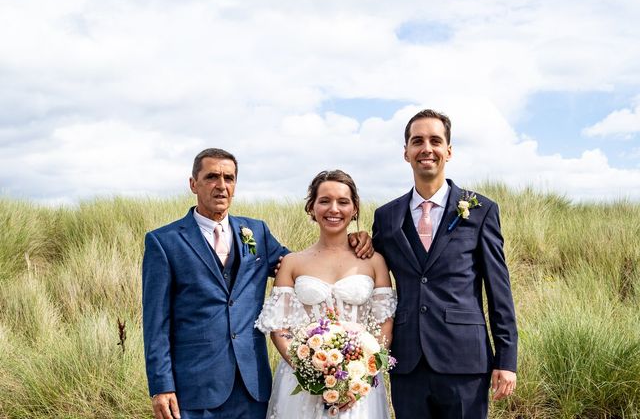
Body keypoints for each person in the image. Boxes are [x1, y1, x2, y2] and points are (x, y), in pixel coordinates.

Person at [142, 149, 373, 419]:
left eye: (229, 178)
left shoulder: (255, 232)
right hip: (194, 388)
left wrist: (352, 242)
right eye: (211, 177)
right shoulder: (164, 242)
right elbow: (156, 322)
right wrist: (161, 386)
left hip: (253, 387)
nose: (221, 185)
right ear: (193, 184)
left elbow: (304, 267)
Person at [372, 110, 517, 418]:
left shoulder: (481, 210)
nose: (427, 148)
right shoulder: (386, 217)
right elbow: (371, 270)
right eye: (417, 141)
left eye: (435, 141)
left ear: (448, 151)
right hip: (408, 362)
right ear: (406, 152)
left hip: (465, 361)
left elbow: (499, 290)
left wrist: (506, 360)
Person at [255, 170, 397, 419]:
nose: (334, 209)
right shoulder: (291, 262)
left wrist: (360, 377)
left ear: (355, 209)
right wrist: (312, 373)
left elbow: (384, 327)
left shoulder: (374, 261)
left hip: (359, 386)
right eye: (324, 201)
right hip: (302, 384)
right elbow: (279, 328)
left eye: (343, 202)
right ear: (311, 208)